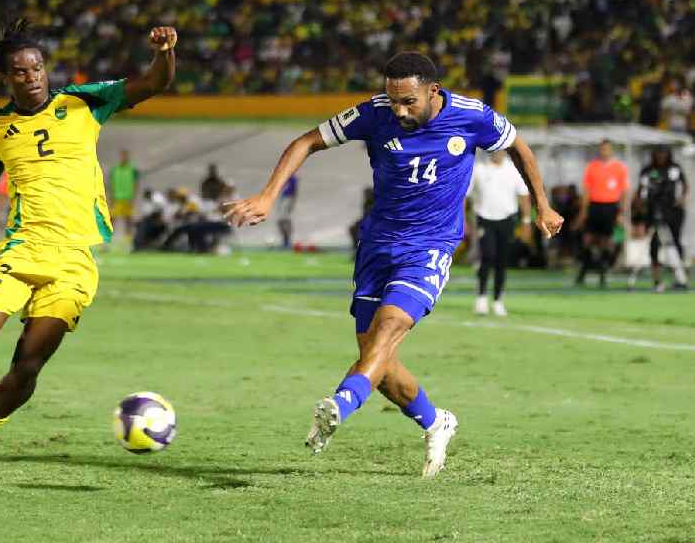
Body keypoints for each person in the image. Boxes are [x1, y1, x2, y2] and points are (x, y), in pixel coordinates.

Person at [223, 52, 563, 478]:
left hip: (431, 246)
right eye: (393, 100)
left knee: (389, 326)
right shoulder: (374, 113)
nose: (399, 110)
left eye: (409, 102)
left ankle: (339, 405)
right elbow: (305, 141)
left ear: (433, 92)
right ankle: (437, 421)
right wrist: (268, 196)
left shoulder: (472, 116)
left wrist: (543, 206)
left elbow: (519, 149)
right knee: (376, 361)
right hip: (377, 246)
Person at [0, 18, 177, 464]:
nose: (33, 78)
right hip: (23, 249)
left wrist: (163, 53)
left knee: (28, 365)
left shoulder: (84, 102)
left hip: (74, 263)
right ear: (6, 78)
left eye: (38, 68)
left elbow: (152, 84)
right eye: (22, 72)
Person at [466, 150, 531, 316]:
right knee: (487, 256)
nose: (498, 152)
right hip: (484, 218)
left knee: (502, 261)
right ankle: (481, 298)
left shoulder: (513, 169)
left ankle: (498, 300)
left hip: (507, 220)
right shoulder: (479, 169)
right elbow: (465, 195)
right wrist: (462, 219)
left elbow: (523, 195)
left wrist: (526, 221)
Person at [573, 139, 628, 288]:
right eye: (602, 149)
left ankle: (603, 273)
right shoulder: (592, 167)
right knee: (588, 240)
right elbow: (586, 190)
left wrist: (621, 213)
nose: (604, 152)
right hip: (594, 206)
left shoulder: (619, 168)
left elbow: (624, 192)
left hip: (610, 207)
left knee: (606, 241)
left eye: (607, 149)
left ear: (612, 151)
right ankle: (584, 269)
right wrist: (584, 211)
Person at [635, 146, 689, 291]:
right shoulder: (647, 170)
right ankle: (657, 281)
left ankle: (679, 278)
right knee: (654, 245)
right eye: (658, 153)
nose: (660, 156)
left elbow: (685, 186)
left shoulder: (674, 168)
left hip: (672, 211)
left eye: (663, 153)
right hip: (653, 211)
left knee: (674, 244)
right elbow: (640, 191)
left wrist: (682, 199)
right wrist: (640, 208)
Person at [108, 149, 140, 239]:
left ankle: (128, 241)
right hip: (117, 199)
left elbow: (135, 184)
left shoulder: (132, 170)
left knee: (128, 220)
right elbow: (112, 185)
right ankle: (107, 240)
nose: (123, 158)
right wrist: (111, 198)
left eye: (125, 156)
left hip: (128, 199)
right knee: (111, 219)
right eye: (122, 156)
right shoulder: (115, 170)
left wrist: (133, 198)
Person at [277, 175, 298, 249]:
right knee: (281, 221)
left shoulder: (292, 178)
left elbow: (294, 192)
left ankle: (287, 241)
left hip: (288, 199)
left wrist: (292, 202)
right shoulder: (286, 177)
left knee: (284, 220)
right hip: (284, 199)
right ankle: (285, 240)